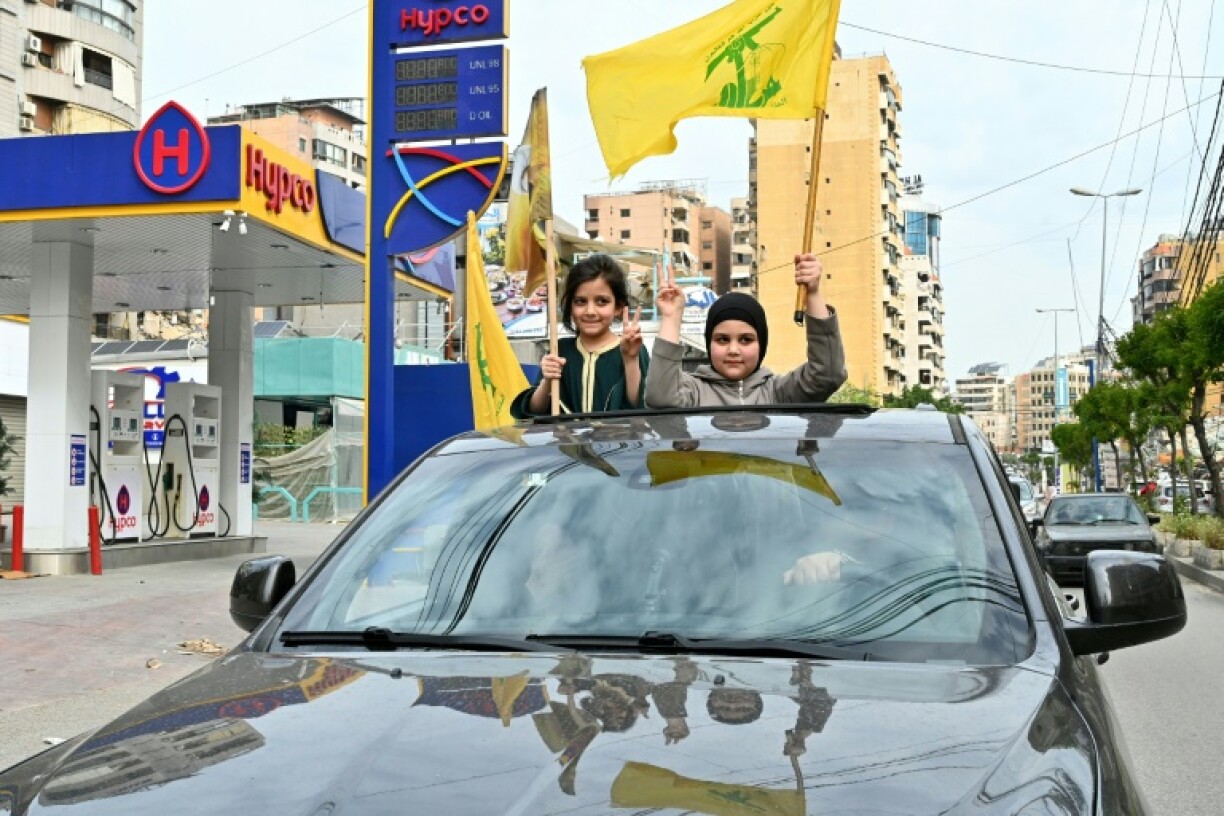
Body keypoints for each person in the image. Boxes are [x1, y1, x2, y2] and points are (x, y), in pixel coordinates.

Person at [645, 253, 846, 408]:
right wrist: (671, 318)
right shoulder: (693, 392)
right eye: (722, 339)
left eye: (746, 340)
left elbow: (827, 376)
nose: (733, 350)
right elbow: (660, 397)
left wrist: (813, 293)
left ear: (762, 345)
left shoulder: (778, 393)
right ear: (708, 343)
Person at [510, 254, 649, 417]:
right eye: (581, 301)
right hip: (567, 435)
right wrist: (547, 380)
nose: (590, 311)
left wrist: (630, 360)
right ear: (570, 306)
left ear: (618, 307)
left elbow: (639, 406)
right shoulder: (560, 350)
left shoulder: (633, 349)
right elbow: (535, 410)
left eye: (602, 301)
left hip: (616, 434)